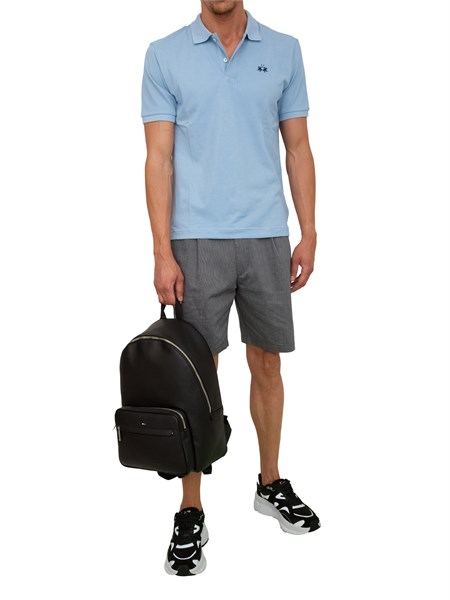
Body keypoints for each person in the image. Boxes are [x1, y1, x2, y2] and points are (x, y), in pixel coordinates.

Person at [141, 0, 320, 576]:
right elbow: (158, 159)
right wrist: (162, 251)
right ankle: (191, 507)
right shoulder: (164, 55)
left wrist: (309, 230)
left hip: (267, 234)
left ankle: (270, 483)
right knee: (196, 373)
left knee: (267, 362)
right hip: (195, 239)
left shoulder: (284, 50)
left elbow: (298, 147)